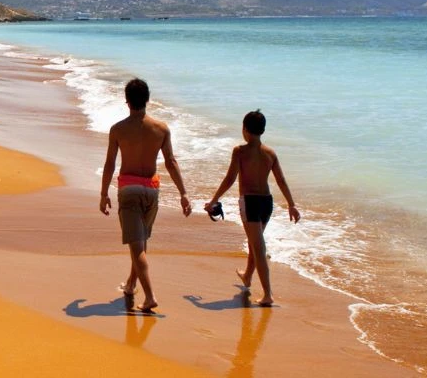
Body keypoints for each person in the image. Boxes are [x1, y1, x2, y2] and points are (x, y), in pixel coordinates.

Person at [100, 78, 192, 312]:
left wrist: (103, 193)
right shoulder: (161, 129)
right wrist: (183, 193)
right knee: (140, 241)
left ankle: (150, 296)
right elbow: (171, 162)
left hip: (129, 190)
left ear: (127, 101)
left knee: (136, 246)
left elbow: (110, 164)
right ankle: (131, 285)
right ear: (147, 100)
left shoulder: (118, 129)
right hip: (151, 190)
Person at [205, 110, 300, 307]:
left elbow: (230, 178)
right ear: (263, 130)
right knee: (254, 242)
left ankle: (268, 294)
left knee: (258, 246)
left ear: (245, 129)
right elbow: (280, 180)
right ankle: (247, 276)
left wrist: (214, 199)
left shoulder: (240, 151)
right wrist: (291, 204)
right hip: (267, 202)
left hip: (249, 202)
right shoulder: (270, 153)